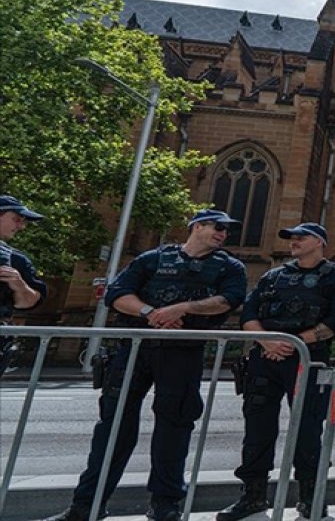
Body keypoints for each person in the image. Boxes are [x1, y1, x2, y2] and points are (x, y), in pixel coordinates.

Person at [45, 209, 248, 521]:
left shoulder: (229, 266)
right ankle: (87, 505)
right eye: (217, 227)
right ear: (195, 226)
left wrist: (181, 308)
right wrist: (151, 312)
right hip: (135, 350)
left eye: (226, 230)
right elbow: (116, 294)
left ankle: (165, 505)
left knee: (174, 430)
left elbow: (229, 300)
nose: (223, 233)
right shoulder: (153, 259)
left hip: (183, 352)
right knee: (113, 429)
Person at [217, 223, 335, 520]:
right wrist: (267, 340)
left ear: (319, 242)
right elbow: (249, 314)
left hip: (308, 361)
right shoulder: (273, 276)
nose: (293, 241)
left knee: (307, 431)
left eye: (300, 237)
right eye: (291, 238)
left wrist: (294, 342)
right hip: (265, 360)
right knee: (257, 431)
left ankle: (310, 497)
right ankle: (253, 496)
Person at [0, 195, 48, 377]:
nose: (21, 226)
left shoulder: (15, 260)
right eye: (16, 219)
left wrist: (19, 285)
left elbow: (30, 302)